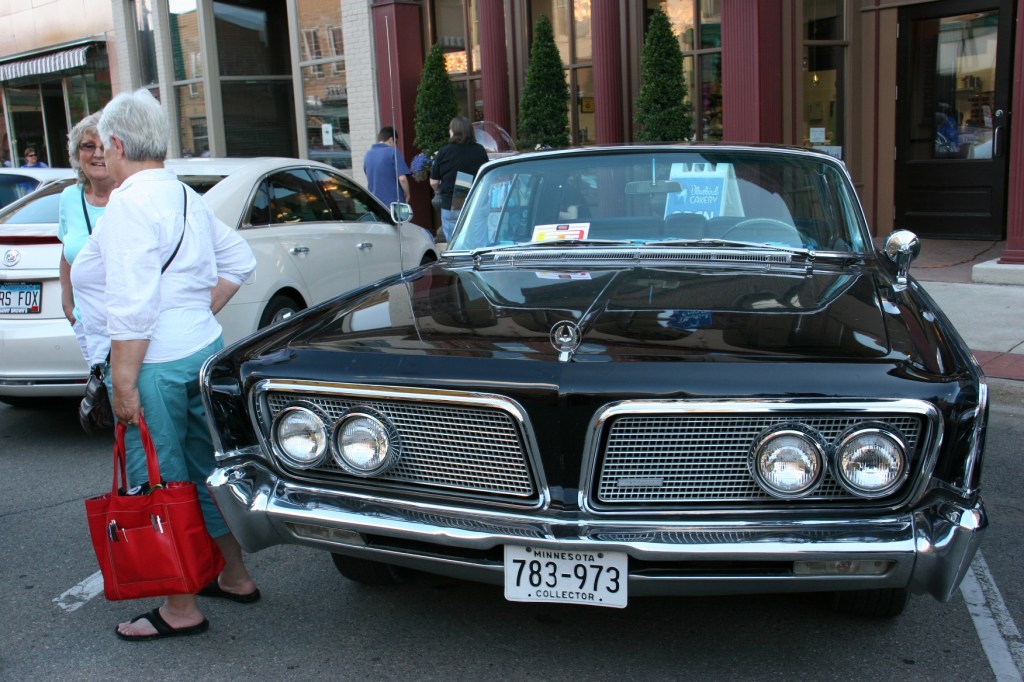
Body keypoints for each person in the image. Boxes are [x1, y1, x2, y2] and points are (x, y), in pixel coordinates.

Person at [70, 89, 259, 642]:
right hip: (199, 349)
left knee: (158, 479)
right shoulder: (182, 194)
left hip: (152, 362)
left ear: (117, 143)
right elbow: (238, 260)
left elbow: (132, 305)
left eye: (104, 144)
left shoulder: (129, 203)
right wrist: (193, 312)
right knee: (201, 470)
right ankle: (234, 575)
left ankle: (181, 608)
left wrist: (123, 382)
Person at [58, 112, 116, 362]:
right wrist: (67, 302)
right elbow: (66, 252)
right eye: (89, 146)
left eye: (105, 146)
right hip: (87, 325)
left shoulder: (132, 195)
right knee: (101, 385)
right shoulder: (69, 197)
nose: (98, 154)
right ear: (76, 153)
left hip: (130, 326)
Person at [430, 116, 488, 241]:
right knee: (478, 243)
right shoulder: (480, 150)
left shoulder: (444, 152)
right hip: (477, 201)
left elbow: (434, 182)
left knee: (455, 244)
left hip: (451, 203)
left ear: (453, 132)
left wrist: (439, 190)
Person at [363, 126, 411, 206]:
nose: (395, 145)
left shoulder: (367, 155)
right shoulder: (393, 152)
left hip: (375, 203)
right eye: (396, 142)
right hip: (394, 203)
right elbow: (402, 178)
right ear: (391, 139)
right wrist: (407, 194)